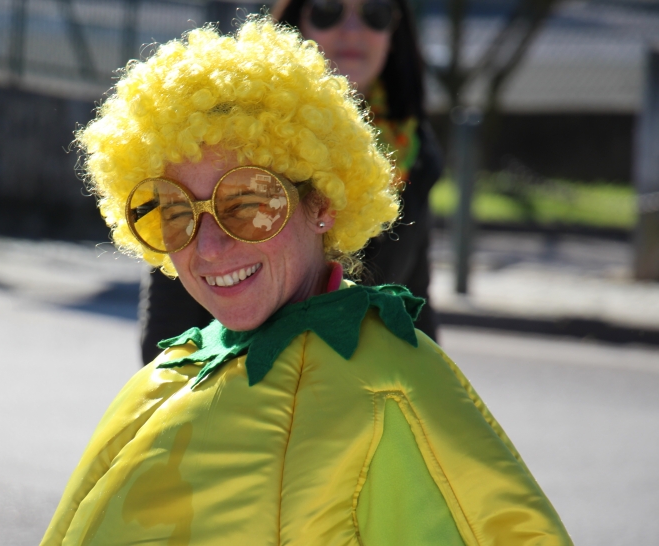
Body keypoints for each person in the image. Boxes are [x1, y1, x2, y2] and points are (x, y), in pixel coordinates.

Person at [41, 19, 571, 545]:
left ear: (322, 203)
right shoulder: (157, 383)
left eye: (248, 202)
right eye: (176, 212)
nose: (208, 247)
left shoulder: (396, 390)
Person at [138, 0, 442, 364]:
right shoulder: (217, 128)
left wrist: (427, 384)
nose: (352, 31)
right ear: (295, 20)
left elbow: (415, 301)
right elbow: (168, 329)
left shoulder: (413, 155)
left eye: (374, 13)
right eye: (327, 10)